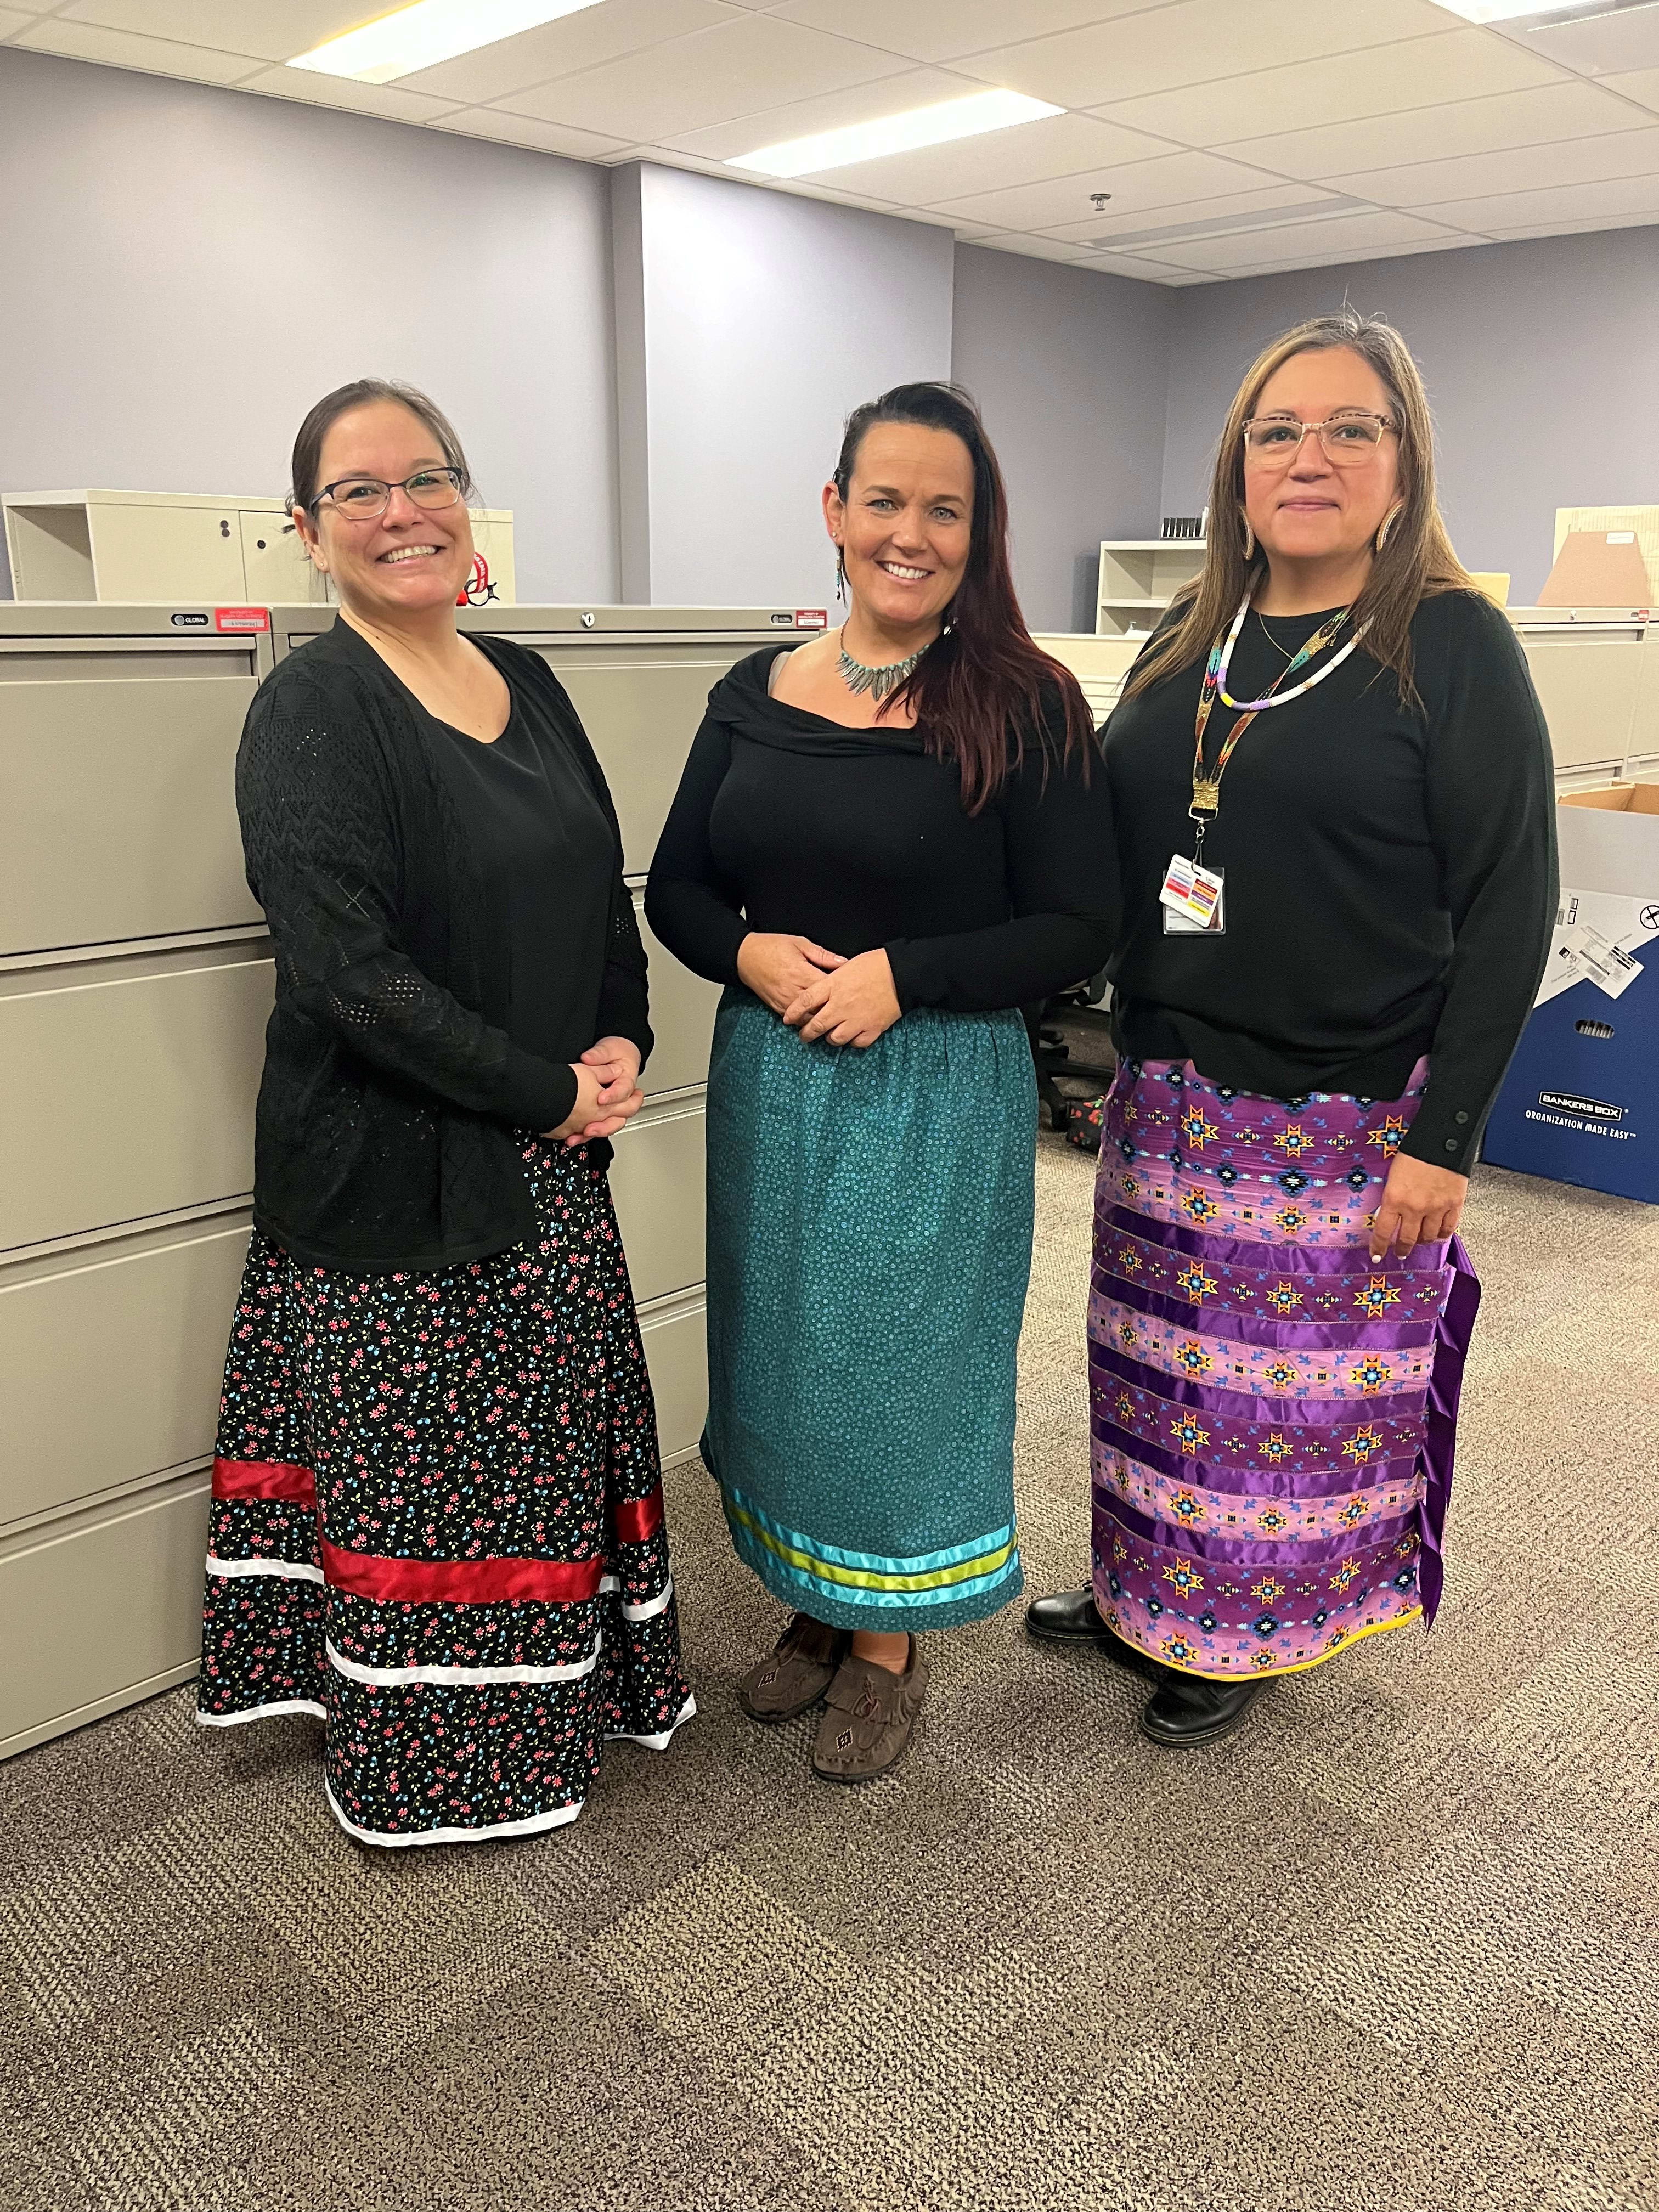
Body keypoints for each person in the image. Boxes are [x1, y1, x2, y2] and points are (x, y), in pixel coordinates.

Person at [1029, 308, 1556, 1748]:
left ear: (1405, 464)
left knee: (1280, 1418)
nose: (1309, 456)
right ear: (1234, 465)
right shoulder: (1191, 635)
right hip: (1167, 1096)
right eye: (1278, 430)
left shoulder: (1451, 646)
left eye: (1349, 429)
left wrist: (1447, 1145)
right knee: (1153, 1374)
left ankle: (1241, 1633)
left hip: (1342, 1112)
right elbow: (1103, 839)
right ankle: (1144, 1592)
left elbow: (1515, 904)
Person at [196, 378, 693, 1844]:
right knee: (428, 1493)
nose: (401, 510)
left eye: (427, 478)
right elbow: (352, 979)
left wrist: (619, 1032)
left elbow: (602, 884)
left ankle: (550, 1720)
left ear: (467, 505)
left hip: (546, 1167)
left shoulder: (527, 679)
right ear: (306, 531)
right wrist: (549, 1092)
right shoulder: (310, 712)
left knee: (531, 1475)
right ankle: (434, 1773)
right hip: (390, 1183)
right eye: (359, 491)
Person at [646, 382, 1118, 1783]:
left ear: (980, 535)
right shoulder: (755, 691)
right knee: (784, 1348)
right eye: (886, 500)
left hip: (930, 1084)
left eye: (945, 510)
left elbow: (1080, 921)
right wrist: (746, 951)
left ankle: (888, 1639)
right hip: (771, 1078)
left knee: (899, 1368)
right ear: (835, 509)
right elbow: (678, 885)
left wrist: (904, 974)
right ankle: (813, 1592)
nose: (910, 534)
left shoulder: (1023, 702)